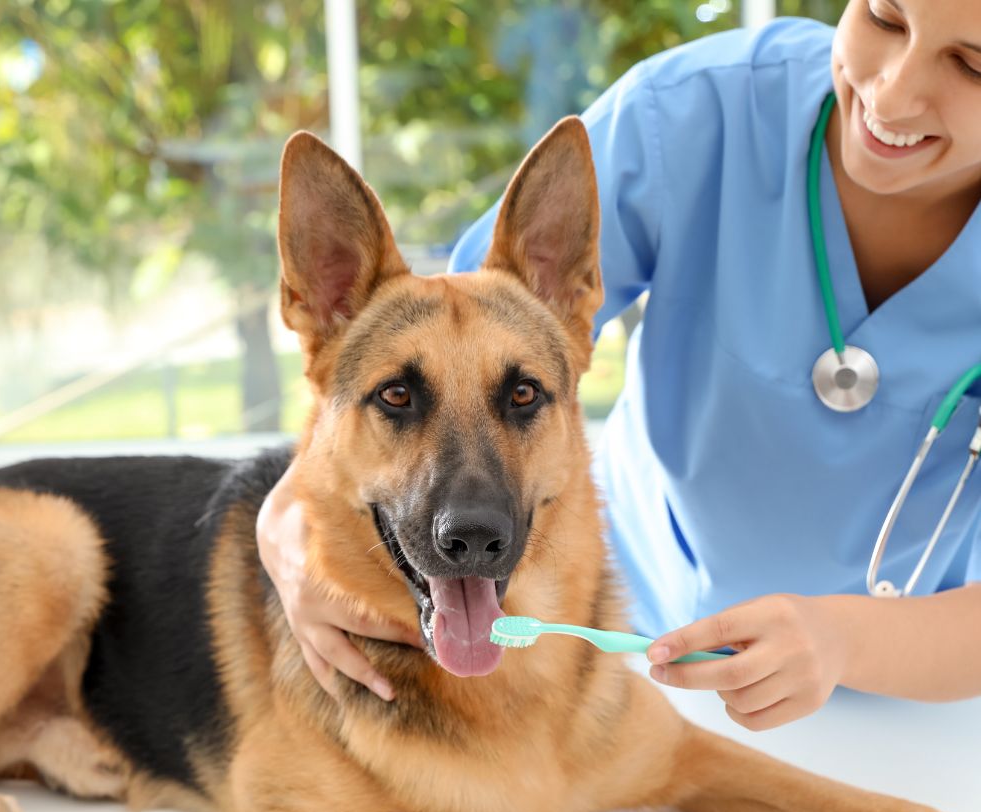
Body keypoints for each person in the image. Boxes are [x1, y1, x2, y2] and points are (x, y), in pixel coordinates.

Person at [257, 0, 981, 731]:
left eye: (972, 64)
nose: (891, 92)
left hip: (924, 688)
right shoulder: (693, 114)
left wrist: (845, 640)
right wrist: (286, 527)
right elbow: (449, 340)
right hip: (625, 646)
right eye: (885, 17)